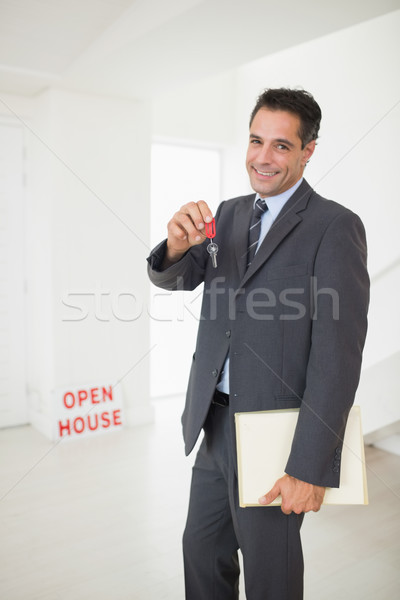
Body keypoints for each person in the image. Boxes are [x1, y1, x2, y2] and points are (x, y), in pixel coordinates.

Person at [147, 88, 369, 600]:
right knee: (201, 556)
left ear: (308, 150)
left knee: (271, 577)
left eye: (281, 146)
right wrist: (177, 246)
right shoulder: (225, 215)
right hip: (214, 423)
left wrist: (309, 466)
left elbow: (338, 358)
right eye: (255, 141)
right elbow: (176, 281)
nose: (262, 157)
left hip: (276, 433)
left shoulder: (334, 227)